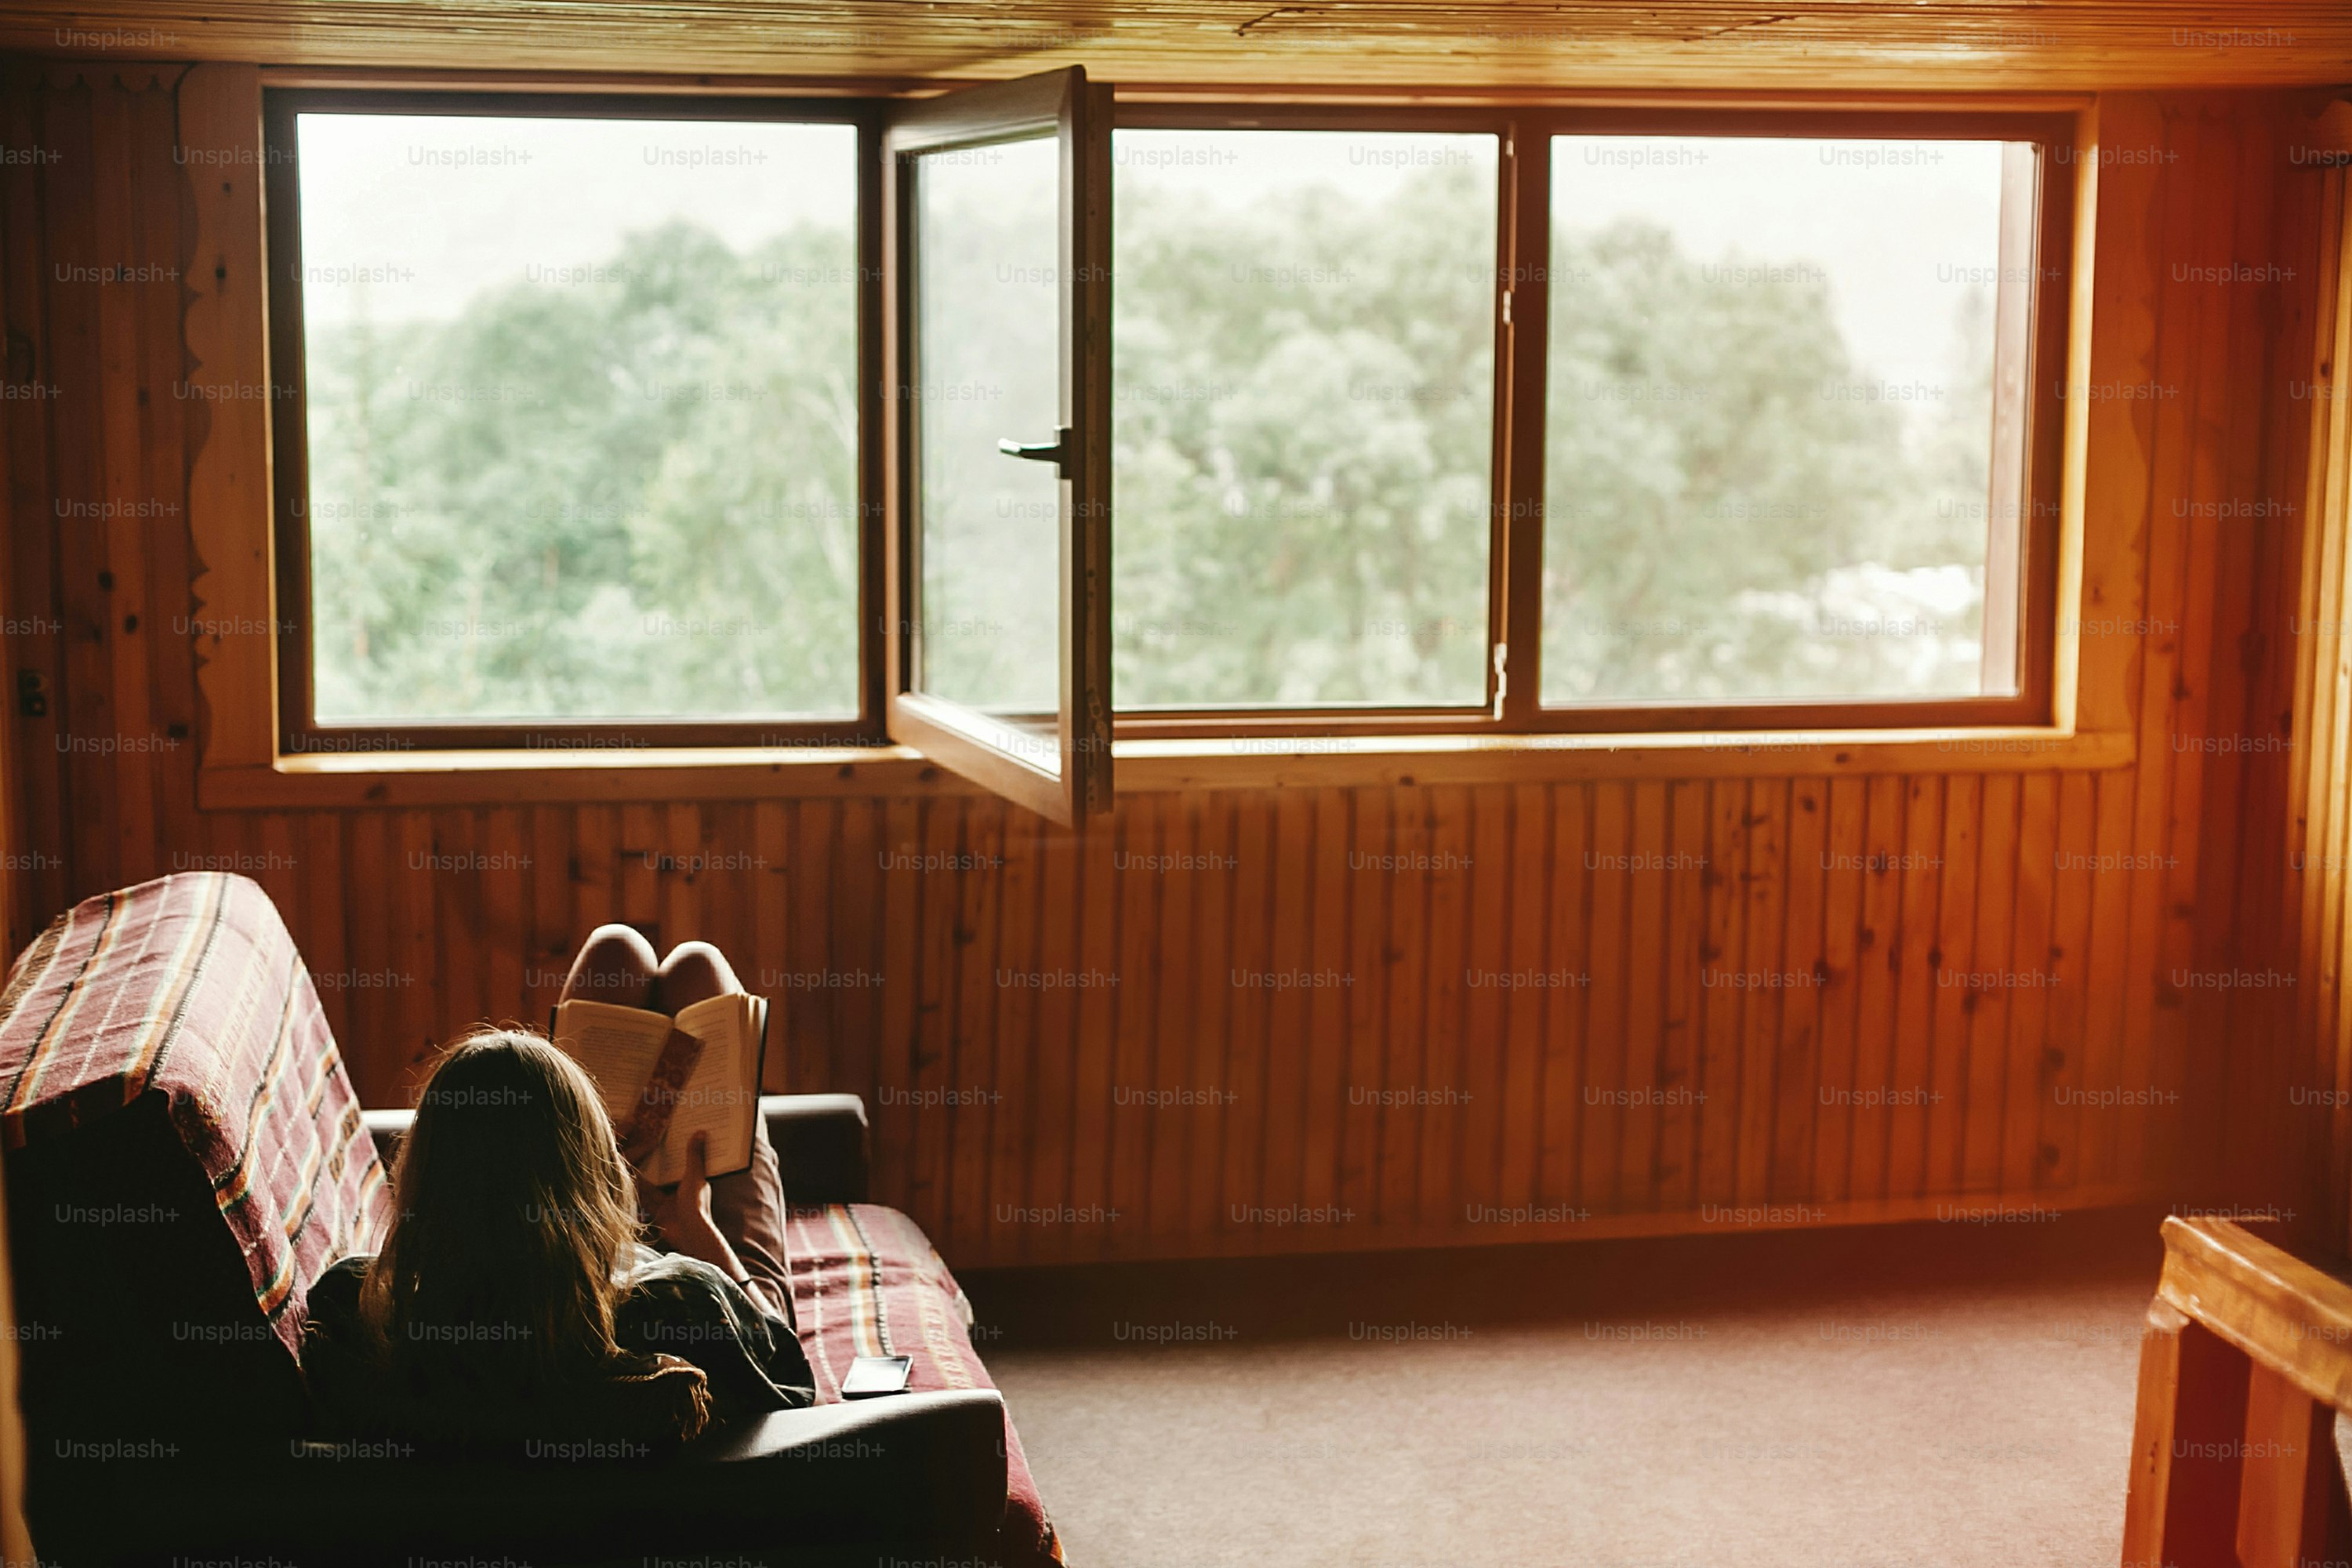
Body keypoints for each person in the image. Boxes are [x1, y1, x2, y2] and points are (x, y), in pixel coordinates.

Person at [300, 928, 810, 1451]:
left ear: (422, 1170)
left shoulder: (353, 1307)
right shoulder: (691, 1301)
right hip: (637, 1286)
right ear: (592, 1170)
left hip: (589, 1291)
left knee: (617, 954)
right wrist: (695, 1231)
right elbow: (792, 1380)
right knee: (699, 969)